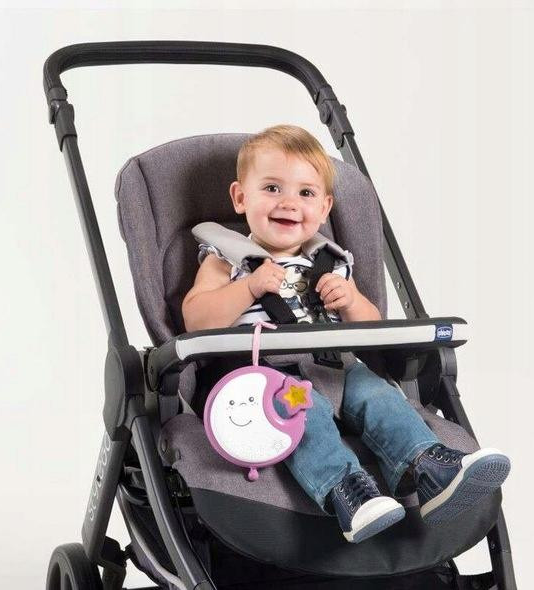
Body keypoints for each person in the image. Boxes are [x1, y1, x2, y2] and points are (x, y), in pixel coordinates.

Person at [181, 124, 510, 543]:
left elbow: (373, 328)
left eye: (305, 193)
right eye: (272, 188)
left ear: (324, 208)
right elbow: (196, 320)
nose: (289, 203)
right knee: (308, 414)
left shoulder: (332, 264)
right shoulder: (226, 260)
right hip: (271, 379)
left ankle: (429, 468)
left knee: (381, 398)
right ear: (241, 197)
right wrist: (247, 288)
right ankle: (347, 491)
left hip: (338, 368)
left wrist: (351, 300)